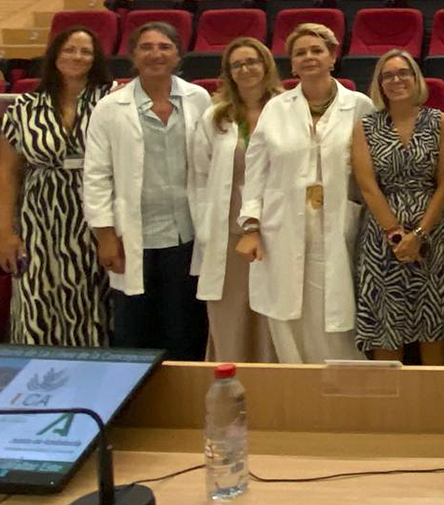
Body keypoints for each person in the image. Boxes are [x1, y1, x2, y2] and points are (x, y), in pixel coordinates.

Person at [237, 23, 372, 364]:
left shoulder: (359, 105)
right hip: (281, 228)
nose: (309, 57)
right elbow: (256, 171)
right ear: (292, 65)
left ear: (333, 56)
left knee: (335, 316)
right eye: (300, 53)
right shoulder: (276, 108)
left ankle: (343, 397)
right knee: (288, 314)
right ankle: (298, 394)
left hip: (338, 224)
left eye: (317, 50)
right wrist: (250, 225)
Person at [84, 23, 212, 361]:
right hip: (132, 237)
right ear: (133, 55)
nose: (156, 54)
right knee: (134, 329)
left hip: (187, 235)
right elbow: (96, 175)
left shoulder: (198, 99)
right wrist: (105, 235)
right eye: (146, 47)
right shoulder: (110, 108)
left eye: (164, 46)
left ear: (178, 54)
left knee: (185, 327)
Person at [0, 27, 115, 347]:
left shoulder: (112, 100)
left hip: (94, 213)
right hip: (38, 217)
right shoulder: (24, 106)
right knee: (37, 295)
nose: (77, 57)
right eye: (69, 50)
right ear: (54, 56)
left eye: (85, 51)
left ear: (96, 59)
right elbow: (7, 172)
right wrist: (5, 232)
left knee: (92, 296)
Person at [351, 51, 444, 365]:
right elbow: (367, 185)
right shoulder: (366, 125)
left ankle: (434, 405)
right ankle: (391, 410)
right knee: (387, 325)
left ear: (416, 78)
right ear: (380, 84)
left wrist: (419, 234)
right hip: (382, 239)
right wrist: (397, 236)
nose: (396, 80)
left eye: (403, 73)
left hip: (433, 232)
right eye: (388, 75)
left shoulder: (440, 121)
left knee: (432, 323)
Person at [189, 38, 283, 364]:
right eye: (237, 64)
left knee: (272, 320)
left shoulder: (287, 109)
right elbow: (199, 179)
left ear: (266, 64)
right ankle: (231, 387)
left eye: (252, 61)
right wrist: (204, 228)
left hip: (277, 230)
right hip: (227, 233)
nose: (245, 70)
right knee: (231, 318)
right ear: (228, 72)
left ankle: (275, 392)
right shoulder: (216, 117)